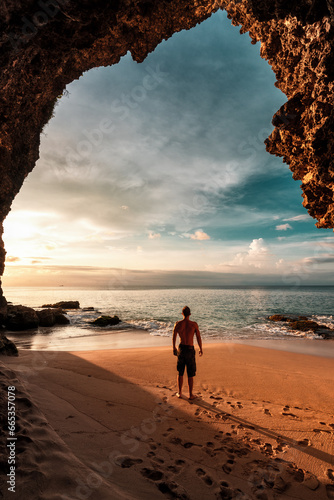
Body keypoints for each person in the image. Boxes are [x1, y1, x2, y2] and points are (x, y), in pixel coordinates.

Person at [172, 305, 203, 400]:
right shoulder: (194, 324)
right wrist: (201, 348)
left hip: (181, 349)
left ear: (182, 314)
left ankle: (180, 393)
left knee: (180, 372)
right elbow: (198, 337)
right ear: (190, 314)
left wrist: (174, 348)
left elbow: (174, 337)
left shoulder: (178, 324)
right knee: (190, 373)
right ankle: (190, 394)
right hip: (190, 349)